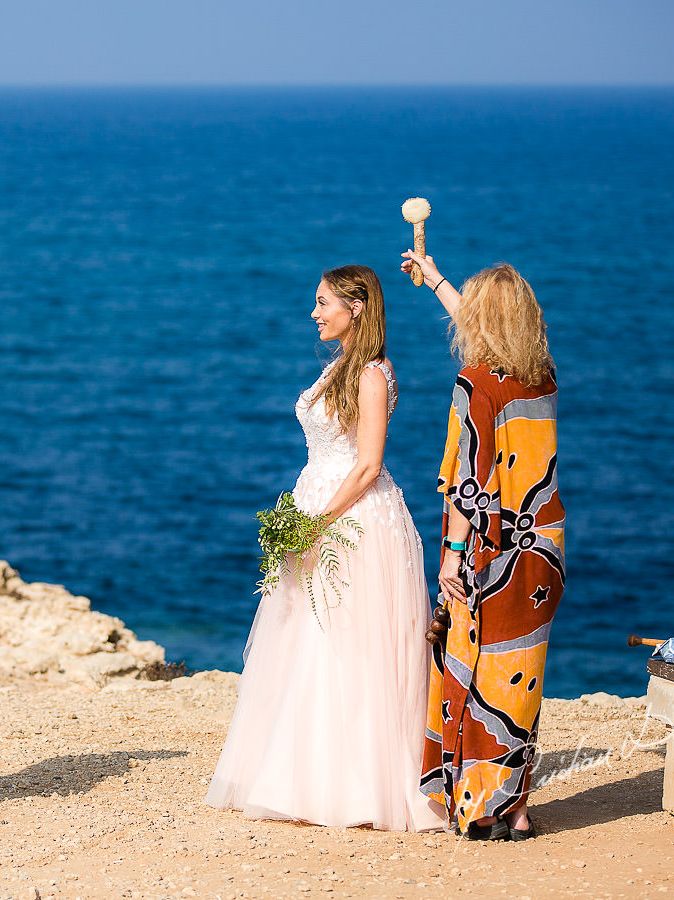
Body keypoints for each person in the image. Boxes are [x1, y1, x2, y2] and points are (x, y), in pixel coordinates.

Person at [205, 265, 448, 831]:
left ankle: (355, 786)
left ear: (356, 306)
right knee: (304, 636)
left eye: (323, 303)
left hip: (354, 519)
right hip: (319, 502)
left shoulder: (369, 372)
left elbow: (368, 464)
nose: (314, 313)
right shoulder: (340, 366)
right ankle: (299, 772)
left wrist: (318, 522)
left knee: (347, 643)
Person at [401, 249, 566, 841]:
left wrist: (450, 554)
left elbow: (466, 479)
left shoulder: (474, 385)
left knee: (470, 679)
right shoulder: (539, 378)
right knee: (517, 683)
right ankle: (516, 809)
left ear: (479, 322)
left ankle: (478, 809)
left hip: (490, 552)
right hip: (544, 552)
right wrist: (435, 277)